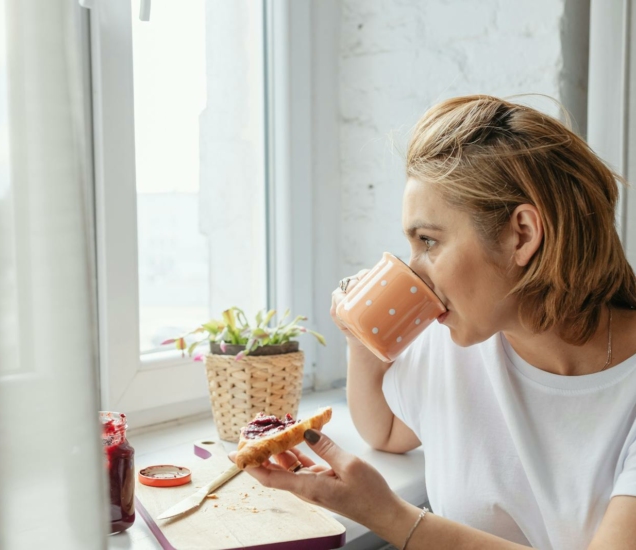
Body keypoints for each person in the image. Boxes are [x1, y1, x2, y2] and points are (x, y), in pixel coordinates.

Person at [230, 95, 636, 550]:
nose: (413, 271)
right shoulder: (462, 338)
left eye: (428, 241)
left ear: (522, 234)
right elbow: (385, 431)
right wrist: (361, 340)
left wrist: (389, 515)